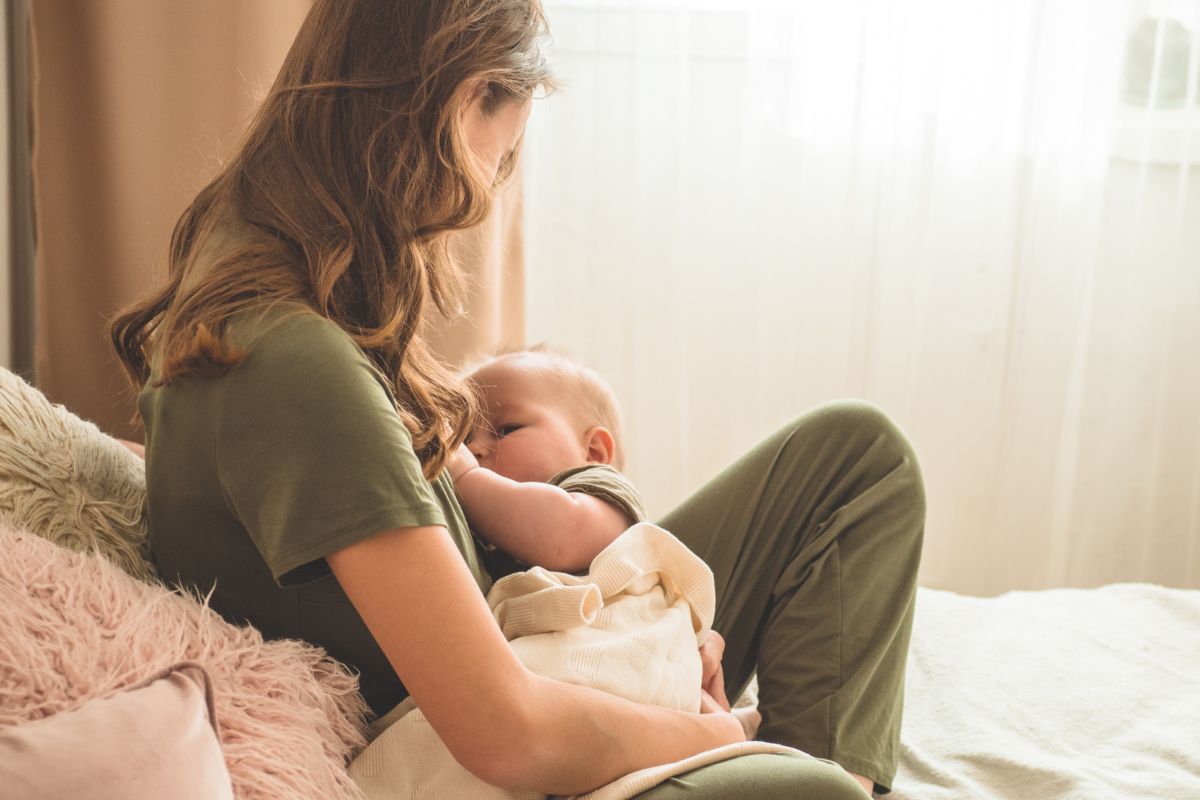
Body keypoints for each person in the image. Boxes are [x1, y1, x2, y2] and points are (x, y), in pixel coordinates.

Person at [110, 1, 923, 797]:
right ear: (468, 103)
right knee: (809, 790)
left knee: (854, 458)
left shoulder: (259, 280)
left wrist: (657, 624)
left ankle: (817, 766)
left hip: (527, 626)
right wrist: (718, 731)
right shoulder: (296, 366)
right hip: (490, 737)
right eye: (502, 156)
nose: (491, 188)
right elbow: (508, 733)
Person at [452, 347, 646, 577]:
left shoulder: (602, 493)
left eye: (506, 429)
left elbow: (562, 536)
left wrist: (466, 478)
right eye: (463, 440)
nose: (471, 449)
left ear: (593, 452)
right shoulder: (484, 534)